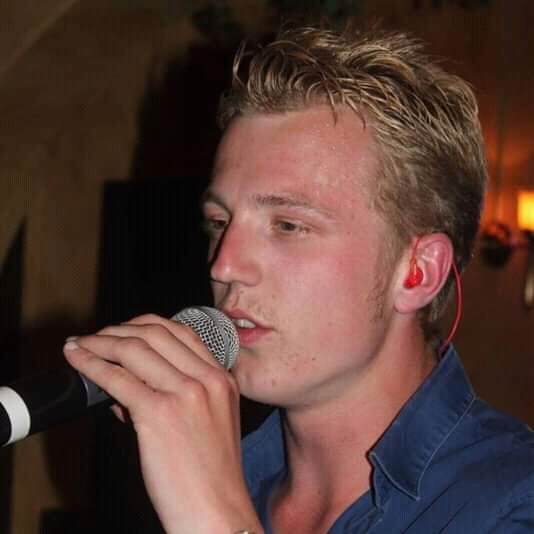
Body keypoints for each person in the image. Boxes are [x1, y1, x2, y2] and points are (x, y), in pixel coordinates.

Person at [64, 25, 534, 533]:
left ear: (418, 272)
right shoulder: (215, 476)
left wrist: (215, 519)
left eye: (288, 225)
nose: (224, 266)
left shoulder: (512, 502)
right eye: (218, 223)